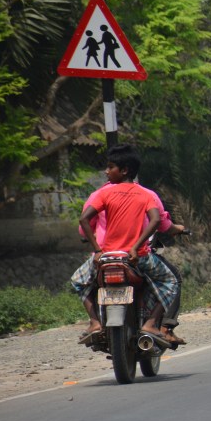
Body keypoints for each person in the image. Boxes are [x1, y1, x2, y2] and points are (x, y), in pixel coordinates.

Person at [72, 145, 181, 347]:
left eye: (110, 167)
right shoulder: (146, 195)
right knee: (171, 281)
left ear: (124, 170)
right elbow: (157, 220)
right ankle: (151, 324)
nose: (106, 172)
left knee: (78, 281)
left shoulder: (103, 194)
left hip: (107, 257)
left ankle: (95, 322)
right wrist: (135, 247)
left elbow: (84, 220)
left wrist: (97, 250)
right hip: (137, 257)